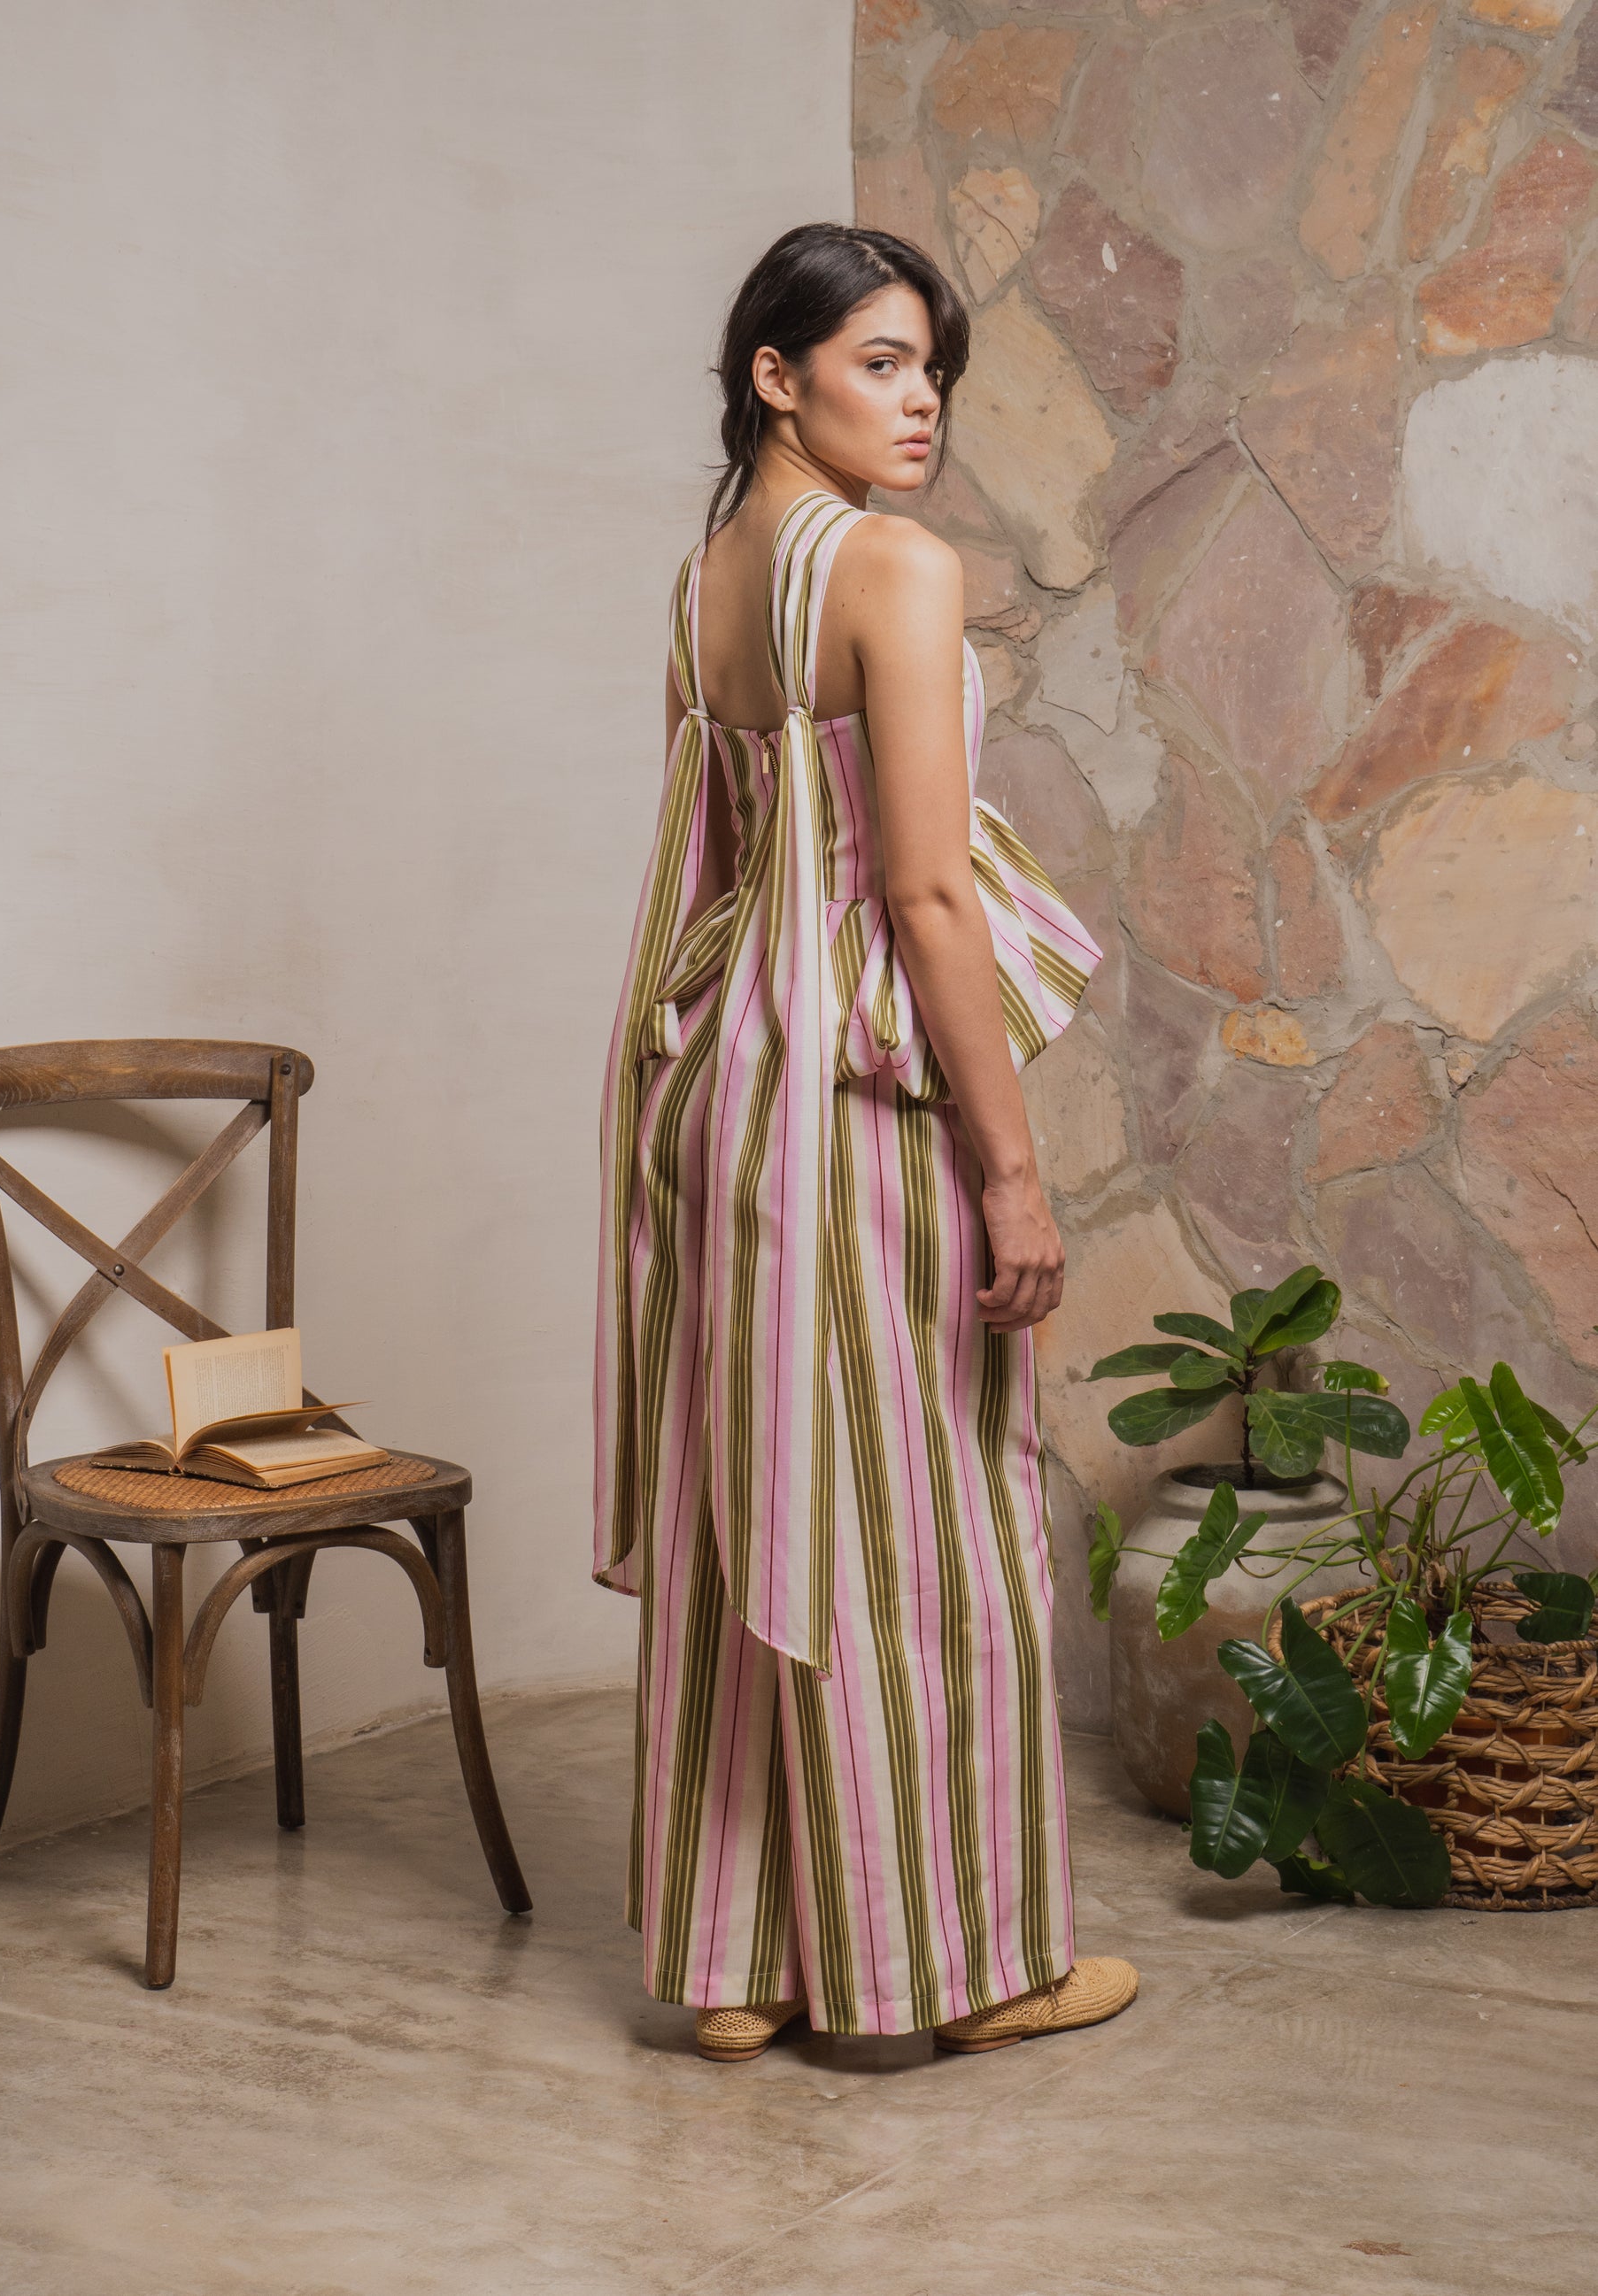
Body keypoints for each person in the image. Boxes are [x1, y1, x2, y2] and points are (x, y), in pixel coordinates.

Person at [594, 222, 1139, 2060]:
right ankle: (963, 1973)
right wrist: (1012, 1172)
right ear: (778, 375)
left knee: (754, 1501)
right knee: (931, 1525)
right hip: (848, 1100)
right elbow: (921, 891)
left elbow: (715, 875)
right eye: (882, 364)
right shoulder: (894, 567)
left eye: (933, 373)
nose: (921, 407)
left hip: (713, 1091)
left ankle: (741, 1963)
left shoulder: (702, 583)